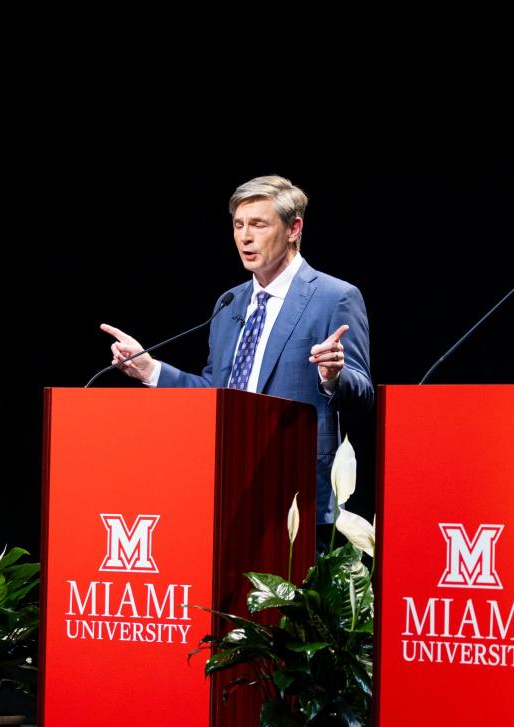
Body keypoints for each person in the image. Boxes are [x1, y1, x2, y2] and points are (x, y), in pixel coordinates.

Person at [101, 174, 373, 524]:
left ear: (293, 229)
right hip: (227, 487)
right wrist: (150, 370)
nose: (245, 237)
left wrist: (334, 377)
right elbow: (217, 394)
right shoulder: (229, 304)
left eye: (258, 225)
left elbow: (363, 396)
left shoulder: (334, 297)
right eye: (238, 225)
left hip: (299, 495)